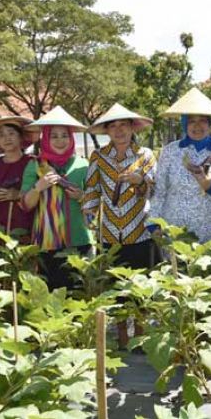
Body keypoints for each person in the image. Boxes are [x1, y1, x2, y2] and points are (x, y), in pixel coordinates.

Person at [84, 103, 160, 348]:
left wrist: (140, 182)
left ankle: (139, 336)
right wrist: (89, 212)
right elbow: (92, 188)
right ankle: (122, 338)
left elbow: (154, 190)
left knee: (139, 288)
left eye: (123, 125)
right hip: (109, 233)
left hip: (139, 231)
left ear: (132, 127)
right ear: (107, 131)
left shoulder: (145, 155)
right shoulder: (99, 156)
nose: (119, 130)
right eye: (113, 126)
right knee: (116, 290)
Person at [150, 87, 211, 242]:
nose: (197, 126)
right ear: (184, 124)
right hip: (176, 233)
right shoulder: (170, 151)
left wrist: (210, 186)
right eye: (191, 121)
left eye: (202, 120)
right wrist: (153, 223)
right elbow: (160, 192)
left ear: (209, 123)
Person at [21, 106, 92, 290]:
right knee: (50, 298)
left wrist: (82, 197)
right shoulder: (35, 166)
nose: (60, 140)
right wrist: (38, 187)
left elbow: (96, 202)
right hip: (46, 243)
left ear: (71, 138)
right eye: (54, 136)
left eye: (64, 135)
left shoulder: (84, 165)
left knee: (81, 296)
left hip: (80, 240)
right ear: (45, 139)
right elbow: (25, 204)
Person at [0, 116, 37, 242]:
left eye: (11, 133)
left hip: (27, 228)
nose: (7, 138)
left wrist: (18, 195)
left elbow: (41, 195)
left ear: (20, 137)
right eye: (1, 135)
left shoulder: (33, 163)